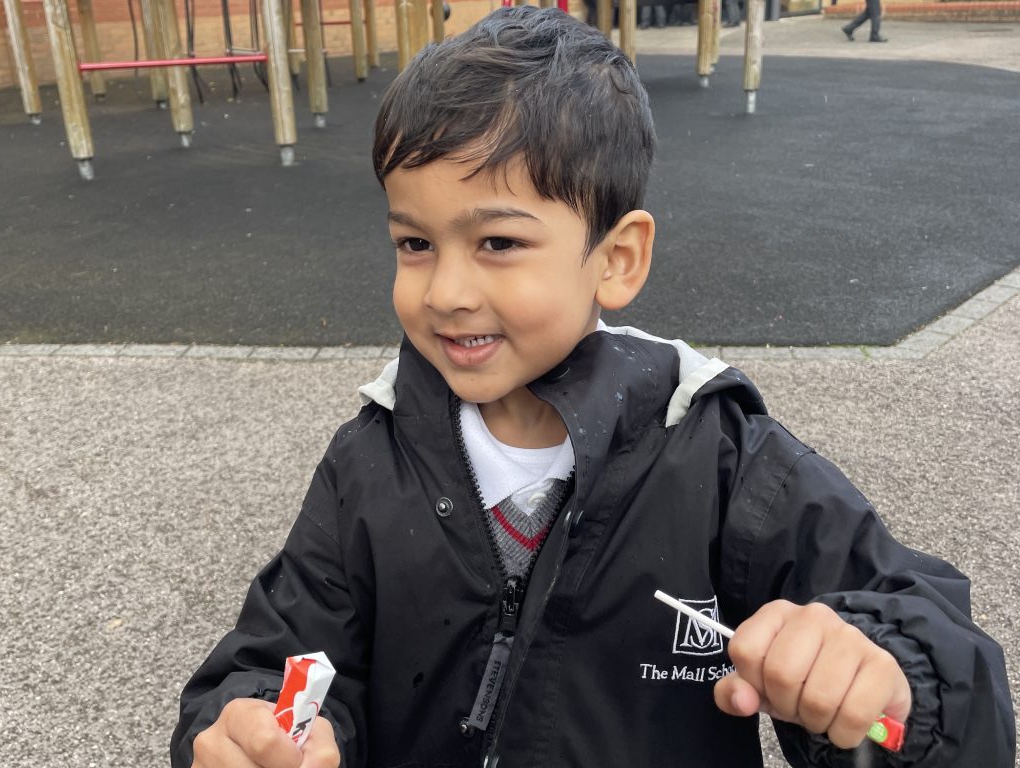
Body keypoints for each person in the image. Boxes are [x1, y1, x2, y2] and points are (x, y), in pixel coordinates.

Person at [170, 7, 1014, 768]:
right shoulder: (373, 459)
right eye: (414, 243)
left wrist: (885, 674)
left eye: (497, 242)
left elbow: (929, 646)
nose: (444, 292)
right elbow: (283, 657)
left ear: (617, 260)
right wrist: (249, 725)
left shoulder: (717, 456)